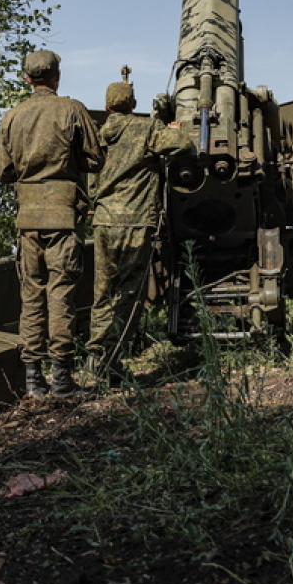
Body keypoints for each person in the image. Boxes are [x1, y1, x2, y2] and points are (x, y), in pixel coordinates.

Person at [0, 50, 103, 399]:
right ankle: (64, 381)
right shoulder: (72, 110)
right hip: (63, 216)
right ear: (57, 76)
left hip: (28, 219)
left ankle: (34, 382)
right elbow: (95, 159)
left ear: (27, 79)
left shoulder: (12, 116)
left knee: (32, 296)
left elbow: (1, 172)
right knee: (60, 295)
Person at [88, 78, 192, 382]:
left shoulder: (100, 134)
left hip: (104, 222)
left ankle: (95, 356)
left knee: (102, 292)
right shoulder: (146, 129)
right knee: (128, 293)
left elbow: (91, 175)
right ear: (133, 105)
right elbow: (183, 145)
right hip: (134, 223)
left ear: (107, 107)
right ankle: (113, 363)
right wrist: (173, 131)